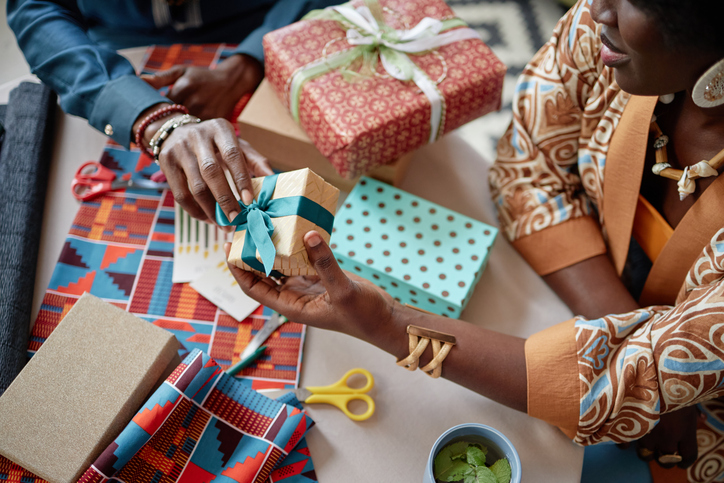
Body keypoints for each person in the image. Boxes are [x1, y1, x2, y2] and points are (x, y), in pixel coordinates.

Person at [224, 0, 724, 481]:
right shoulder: (606, 33)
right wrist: (648, 358)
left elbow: (610, 390)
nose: (595, 8)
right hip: (591, 340)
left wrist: (388, 324)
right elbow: (524, 173)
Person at [7, 0, 337, 224]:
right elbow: (35, 10)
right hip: (112, 55)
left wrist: (249, 62)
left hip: (268, 28)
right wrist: (146, 114)